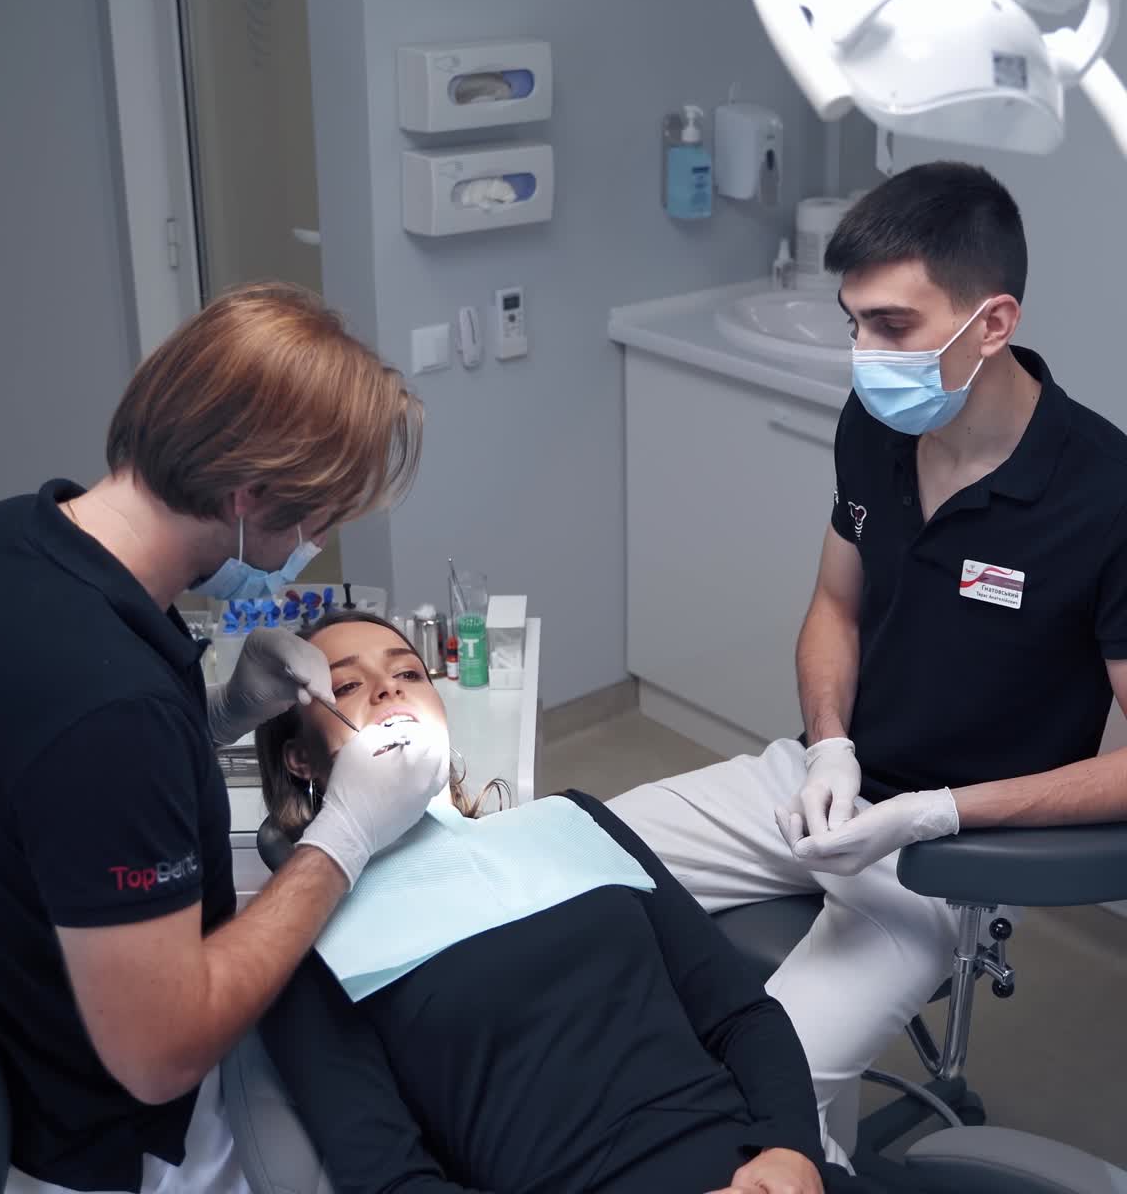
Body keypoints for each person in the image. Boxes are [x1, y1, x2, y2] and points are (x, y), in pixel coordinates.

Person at [607, 161, 1127, 1163]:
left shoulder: (1103, 496)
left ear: (991, 322)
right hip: (815, 787)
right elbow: (834, 607)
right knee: (563, 861)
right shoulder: (877, 425)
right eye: (852, 323)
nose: (862, 355)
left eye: (890, 325)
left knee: (762, 1090)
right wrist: (829, 746)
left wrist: (934, 814)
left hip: (942, 862)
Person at [0, 285, 450, 1194]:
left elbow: (46, 786)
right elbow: (161, 1056)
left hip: (15, 1016)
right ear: (247, 496)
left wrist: (218, 712)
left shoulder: (2, 540)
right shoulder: (110, 712)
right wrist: (342, 837)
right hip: (99, 1139)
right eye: (320, 519)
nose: (318, 542)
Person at [254, 613, 929, 1194]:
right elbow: (393, 1182)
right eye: (347, 685)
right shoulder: (303, 944)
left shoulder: (571, 822)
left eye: (408, 672)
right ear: (299, 761)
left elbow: (742, 1015)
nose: (389, 688)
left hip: (763, 1172)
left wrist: (790, 1148)